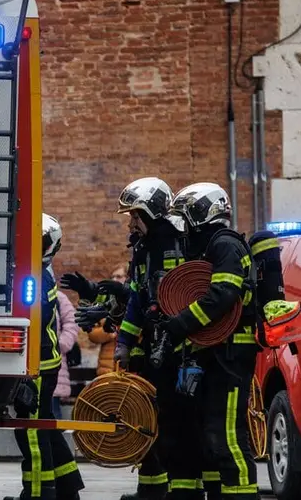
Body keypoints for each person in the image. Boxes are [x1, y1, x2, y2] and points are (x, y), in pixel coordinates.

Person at [65, 177, 188, 500]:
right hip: (148, 351)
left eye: (136, 215)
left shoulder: (178, 245)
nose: (131, 223)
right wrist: (124, 343)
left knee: (173, 426)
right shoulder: (145, 250)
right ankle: (150, 491)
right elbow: (136, 300)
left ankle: (180, 491)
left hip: (176, 353)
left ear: (152, 213)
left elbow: (176, 298)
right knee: (146, 420)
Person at [159, 183, 258, 500]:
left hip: (231, 358)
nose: (184, 228)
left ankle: (243, 494)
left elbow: (221, 297)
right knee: (210, 433)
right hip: (217, 355)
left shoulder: (225, 246)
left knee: (227, 434)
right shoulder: (212, 246)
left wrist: (181, 323)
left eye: (186, 218)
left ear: (200, 215)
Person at [6, 214, 84, 500]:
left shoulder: (33, 277)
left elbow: (34, 324)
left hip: (37, 366)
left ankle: (39, 492)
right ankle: (67, 488)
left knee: (32, 433)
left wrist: (28, 370)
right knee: (47, 427)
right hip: (43, 365)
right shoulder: (40, 272)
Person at [51, 289, 79, 414]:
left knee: (51, 415)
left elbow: (72, 321)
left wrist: (61, 344)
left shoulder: (58, 297)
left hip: (55, 362)